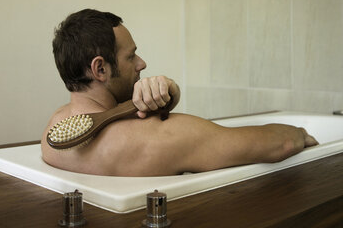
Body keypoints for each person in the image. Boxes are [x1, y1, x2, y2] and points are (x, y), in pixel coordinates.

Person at [41, 9, 318, 176]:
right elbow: (282, 145)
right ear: (100, 69)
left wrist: (169, 92)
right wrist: (299, 133)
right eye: (131, 56)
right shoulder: (166, 137)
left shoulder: (53, 131)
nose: (142, 64)